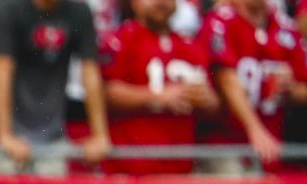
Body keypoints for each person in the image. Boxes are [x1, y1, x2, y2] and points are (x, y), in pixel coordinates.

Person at [0, 0, 111, 175]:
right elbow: (1, 73)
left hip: (52, 138)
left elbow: (90, 72)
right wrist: (4, 135)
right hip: (4, 139)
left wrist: (100, 135)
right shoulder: (9, 9)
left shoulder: (79, 12)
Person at [102, 0, 217, 175]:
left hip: (180, 170)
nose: (161, 2)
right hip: (128, 169)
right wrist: (157, 97)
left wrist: (208, 101)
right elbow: (104, 94)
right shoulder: (120, 39)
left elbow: (215, 107)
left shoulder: (192, 46)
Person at [197, 0, 307, 173]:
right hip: (226, 144)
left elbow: (302, 87)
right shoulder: (220, 21)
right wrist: (255, 129)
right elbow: (225, 79)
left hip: (274, 143)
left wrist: (291, 88)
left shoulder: (286, 27)